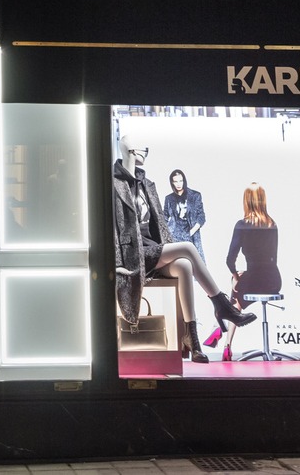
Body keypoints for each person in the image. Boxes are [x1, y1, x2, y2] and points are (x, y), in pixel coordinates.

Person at [112, 134, 255, 364]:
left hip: (154, 250)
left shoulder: (148, 184)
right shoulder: (114, 183)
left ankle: (194, 342)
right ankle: (222, 306)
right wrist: (117, 263)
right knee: (188, 248)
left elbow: (159, 223)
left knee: (184, 266)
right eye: (143, 150)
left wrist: (167, 246)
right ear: (131, 152)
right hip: (133, 257)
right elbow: (111, 228)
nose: (145, 155)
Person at [207, 182, 281, 361]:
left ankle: (224, 341)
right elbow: (274, 257)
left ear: (246, 201)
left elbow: (229, 260)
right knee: (238, 289)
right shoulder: (273, 224)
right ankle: (221, 333)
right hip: (273, 280)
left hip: (253, 278)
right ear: (263, 200)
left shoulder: (241, 225)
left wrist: (235, 275)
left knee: (235, 288)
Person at [164, 168, 207, 262]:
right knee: (178, 263)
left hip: (191, 233)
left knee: (197, 263)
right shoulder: (169, 198)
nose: (178, 184)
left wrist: (192, 232)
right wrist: (166, 234)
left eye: (180, 180)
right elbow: (164, 217)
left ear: (184, 181)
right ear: (172, 183)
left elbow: (201, 216)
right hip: (175, 235)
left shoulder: (195, 196)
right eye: (175, 181)